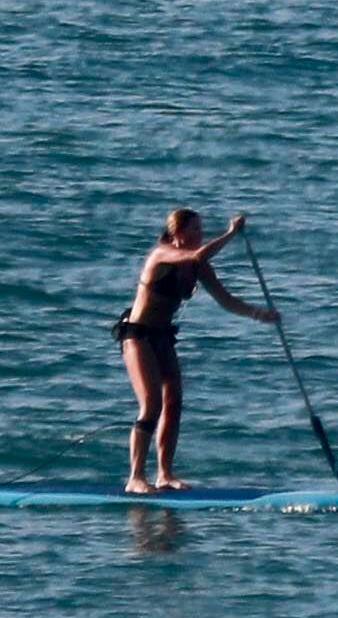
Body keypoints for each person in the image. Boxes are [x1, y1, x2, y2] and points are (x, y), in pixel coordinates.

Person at [114, 208, 279, 494]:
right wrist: (230, 234)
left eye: (201, 231)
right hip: (137, 335)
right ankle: (136, 477)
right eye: (194, 231)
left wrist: (258, 314)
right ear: (177, 233)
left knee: (174, 402)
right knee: (151, 404)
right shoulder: (162, 254)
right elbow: (198, 254)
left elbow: (225, 299)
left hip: (163, 336)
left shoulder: (198, 267)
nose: (199, 236)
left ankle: (164, 474)